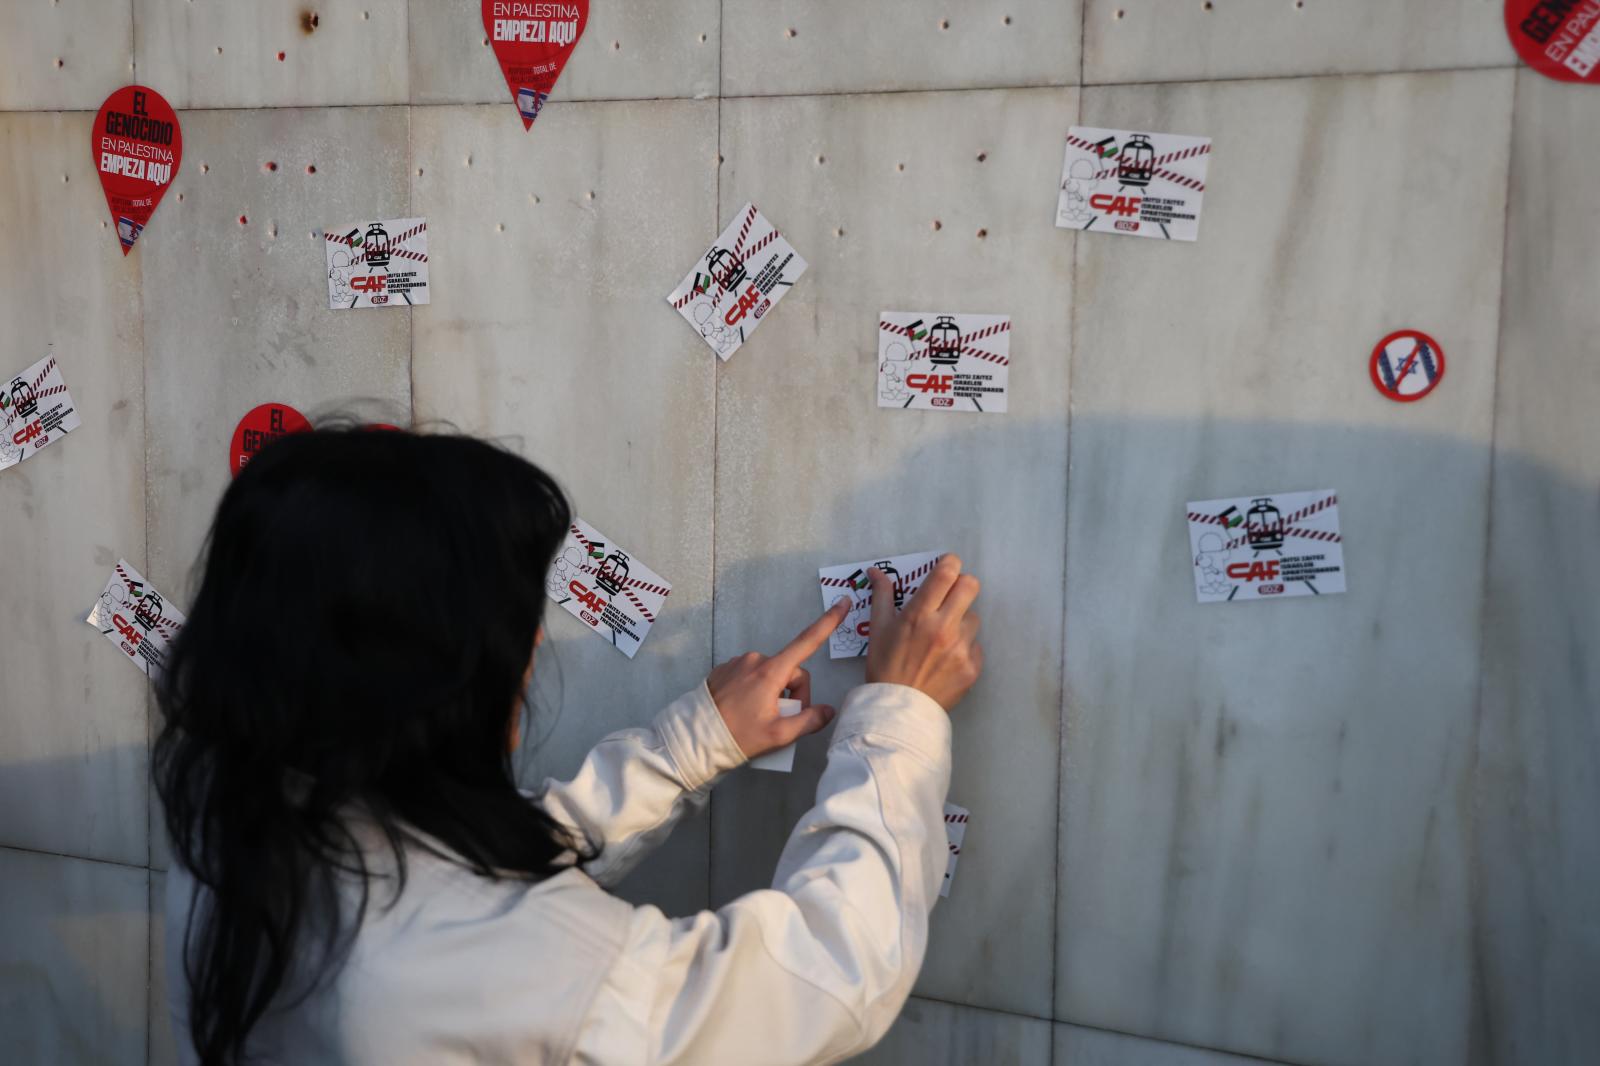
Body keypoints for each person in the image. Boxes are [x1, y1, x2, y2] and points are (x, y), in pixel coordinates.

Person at [154, 426, 983, 1065]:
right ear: (435, 684)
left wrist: (693, 745)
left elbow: (465, 873)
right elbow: (827, 978)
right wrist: (899, 714)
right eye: (514, 633)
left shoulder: (234, 838)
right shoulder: (515, 963)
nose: (533, 657)